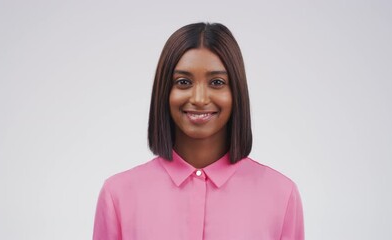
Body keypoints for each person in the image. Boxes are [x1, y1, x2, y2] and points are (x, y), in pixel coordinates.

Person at [93, 22, 304, 240]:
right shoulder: (118, 195)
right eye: (183, 82)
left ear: (236, 92)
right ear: (164, 91)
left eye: (217, 82)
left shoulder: (281, 195)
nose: (199, 99)